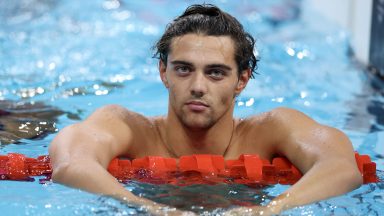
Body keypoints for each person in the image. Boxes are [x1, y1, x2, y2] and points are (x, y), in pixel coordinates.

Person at [49, 4, 363, 215]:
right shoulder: (128, 127)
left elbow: (342, 167)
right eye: (184, 69)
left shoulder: (271, 129)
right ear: (164, 72)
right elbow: (70, 165)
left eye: (215, 73)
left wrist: (268, 210)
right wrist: (150, 208)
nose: (198, 86)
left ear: (242, 79)